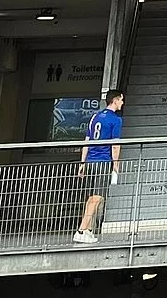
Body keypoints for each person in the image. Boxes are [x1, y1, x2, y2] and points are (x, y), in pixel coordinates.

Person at [72, 88, 124, 244]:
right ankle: (81, 230)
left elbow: (87, 140)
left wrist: (83, 162)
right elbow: (115, 144)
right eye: (121, 100)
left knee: (92, 197)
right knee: (97, 197)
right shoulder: (116, 120)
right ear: (114, 100)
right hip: (103, 161)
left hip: (90, 161)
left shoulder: (95, 116)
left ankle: (87, 229)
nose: (122, 103)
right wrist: (116, 163)